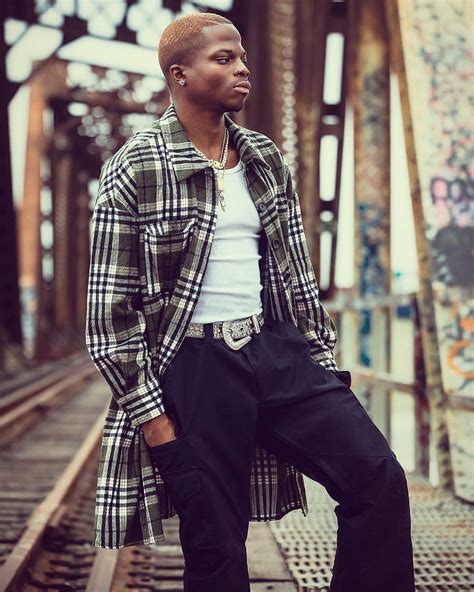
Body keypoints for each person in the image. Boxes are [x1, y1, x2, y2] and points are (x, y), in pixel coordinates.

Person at [85, 11, 416, 592]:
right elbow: (108, 319)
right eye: (224, 59)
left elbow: (297, 276)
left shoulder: (263, 157)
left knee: (377, 477)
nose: (243, 68)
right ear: (179, 74)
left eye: (242, 56)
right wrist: (157, 425)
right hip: (196, 368)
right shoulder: (136, 167)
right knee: (216, 544)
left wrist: (320, 365)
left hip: (275, 351)